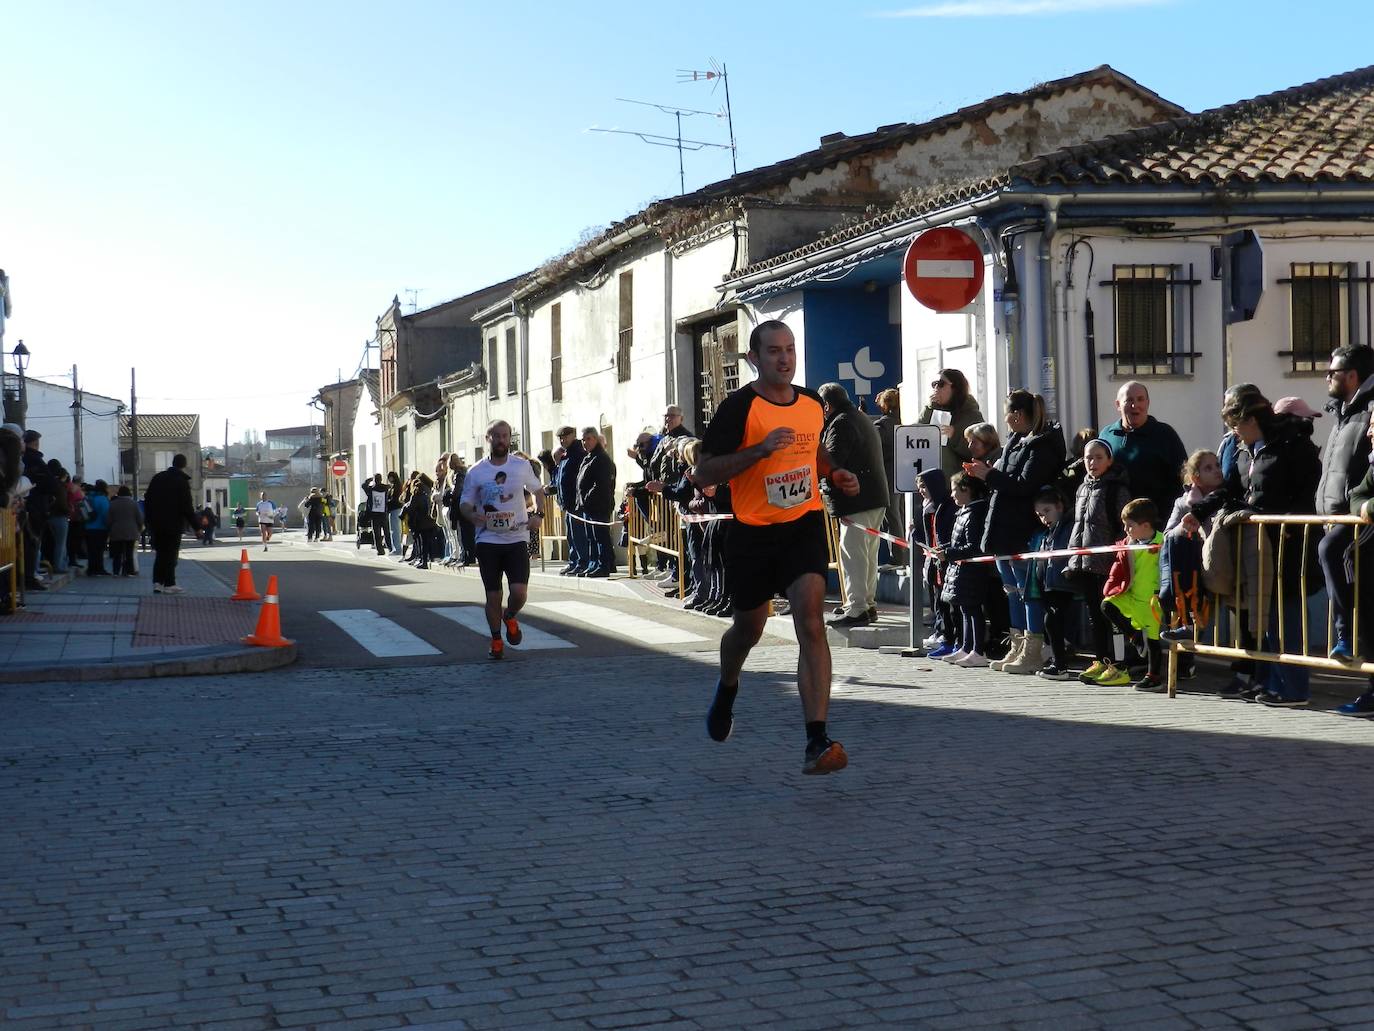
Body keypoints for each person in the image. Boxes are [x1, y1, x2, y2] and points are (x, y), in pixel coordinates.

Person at [695, 319, 859, 776]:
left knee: (811, 619)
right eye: (772, 351)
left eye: (789, 349)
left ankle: (816, 740)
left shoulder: (812, 404)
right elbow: (704, 474)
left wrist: (834, 472)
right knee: (750, 629)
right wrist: (758, 451)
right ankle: (728, 686)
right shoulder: (738, 408)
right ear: (754, 358)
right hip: (751, 533)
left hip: (802, 523)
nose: (784, 358)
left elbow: (811, 454)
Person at [1223, 391, 1321, 707]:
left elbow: (1308, 492)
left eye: (1237, 424)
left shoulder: (1292, 447)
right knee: (1267, 617)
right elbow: (1238, 492)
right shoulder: (1249, 450)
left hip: (1289, 543)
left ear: (1252, 419)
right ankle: (1269, 680)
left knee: (1287, 616)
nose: (1235, 432)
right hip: (1262, 544)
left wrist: (1291, 523)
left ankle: (1293, 688)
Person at [965, 390, 1066, 675]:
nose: (1005, 420)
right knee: (1011, 590)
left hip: (1022, 528)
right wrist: (988, 475)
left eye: (1008, 414)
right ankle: (1018, 643)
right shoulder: (1015, 441)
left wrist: (990, 475)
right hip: (1003, 528)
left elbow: (1024, 485)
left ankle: (1033, 648)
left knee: (1027, 590)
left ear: (1018, 415)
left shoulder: (1041, 446)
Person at [460, 420, 545, 660]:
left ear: (510, 439)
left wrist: (538, 515)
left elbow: (538, 491)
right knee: (493, 594)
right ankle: (496, 639)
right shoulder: (476, 471)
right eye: (495, 436)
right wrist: (471, 513)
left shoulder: (521, 466)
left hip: (516, 536)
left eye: (505, 436)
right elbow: (465, 502)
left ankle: (510, 616)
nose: (500, 440)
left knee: (519, 593)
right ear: (488, 439)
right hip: (487, 539)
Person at [1315, 346, 1374, 662]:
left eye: (1333, 372)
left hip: (1360, 517)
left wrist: (1362, 505)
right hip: (1338, 515)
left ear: (1352, 376)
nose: (1327, 376)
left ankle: (1345, 636)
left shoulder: (1369, 409)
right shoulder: (1342, 411)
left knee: (1331, 551)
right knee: (1364, 599)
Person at [819, 381, 890, 628]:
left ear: (827, 405)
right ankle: (866, 603)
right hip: (873, 497)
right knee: (867, 554)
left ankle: (857, 606)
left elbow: (832, 460)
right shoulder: (858, 418)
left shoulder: (841, 423)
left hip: (856, 499)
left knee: (853, 553)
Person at [1067, 439, 1132, 686]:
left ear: (1109, 460)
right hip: (1085, 563)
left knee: (1111, 615)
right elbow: (1079, 526)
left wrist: (1118, 557)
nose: (1092, 463)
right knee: (1094, 614)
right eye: (1088, 458)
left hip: (1108, 563)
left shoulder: (1117, 489)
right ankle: (1101, 659)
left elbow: (1124, 525)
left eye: (1098, 457)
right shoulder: (1082, 488)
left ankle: (1119, 664)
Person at [1102, 499, 1166, 693]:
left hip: (1152, 600)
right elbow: (1119, 568)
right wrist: (1114, 586)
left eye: (1130, 526)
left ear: (1145, 525)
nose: (1126, 529)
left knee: (1154, 640)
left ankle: (1153, 676)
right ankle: (1135, 636)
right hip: (1131, 595)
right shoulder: (1128, 544)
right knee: (1107, 605)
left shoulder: (1162, 541)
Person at [1099, 381, 1188, 521]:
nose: (1135, 406)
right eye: (1129, 400)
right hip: (1113, 523)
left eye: (1140, 399)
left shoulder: (1164, 434)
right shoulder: (1106, 435)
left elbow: (1183, 478)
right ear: (1118, 405)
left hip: (1154, 524)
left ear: (1148, 403)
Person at [936, 472, 992, 666]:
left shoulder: (975, 513)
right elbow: (958, 542)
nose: (952, 495)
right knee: (965, 608)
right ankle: (966, 647)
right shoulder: (964, 511)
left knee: (973, 609)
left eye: (954, 490)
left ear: (966, 490)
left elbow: (973, 546)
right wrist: (945, 549)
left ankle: (978, 650)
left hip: (972, 570)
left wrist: (949, 553)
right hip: (961, 570)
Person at [1029, 488, 1079, 680]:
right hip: (1049, 582)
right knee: (1051, 622)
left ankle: (1060, 665)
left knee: (1053, 620)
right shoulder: (1049, 532)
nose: (1044, 518)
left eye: (1047, 511)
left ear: (1059, 507)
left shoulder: (1067, 528)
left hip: (1061, 582)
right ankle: (1058, 662)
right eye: (1040, 515)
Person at [916, 469, 958, 657]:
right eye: (919, 487)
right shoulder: (926, 508)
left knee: (947, 602)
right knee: (937, 600)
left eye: (924, 486)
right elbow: (925, 537)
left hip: (945, 562)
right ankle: (941, 632)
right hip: (932, 562)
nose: (921, 491)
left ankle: (950, 637)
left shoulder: (947, 507)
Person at [144, 455, 198, 594]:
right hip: (173, 524)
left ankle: (157, 582)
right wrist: (197, 527)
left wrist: (149, 521)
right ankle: (169, 583)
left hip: (156, 524)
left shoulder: (158, 478)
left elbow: (148, 500)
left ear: (172, 463)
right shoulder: (182, 481)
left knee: (160, 553)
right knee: (171, 554)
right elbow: (187, 507)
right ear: (183, 465)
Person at [920, 369, 983, 479]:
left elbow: (979, 451)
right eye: (934, 384)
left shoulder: (971, 413)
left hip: (958, 483)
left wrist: (955, 435)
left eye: (940, 384)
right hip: (931, 482)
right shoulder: (932, 409)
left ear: (955, 387)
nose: (936, 388)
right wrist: (929, 409)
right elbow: (916, 432)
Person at [871, 387, 906, 566]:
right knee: (900, 513)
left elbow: (873, 450)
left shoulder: (882, 426)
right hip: (904, 472)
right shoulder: (905, 421)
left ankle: (898, 558)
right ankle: (905, 556)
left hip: (888, 473)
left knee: (892, 515)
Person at [576, 428, 617, 577]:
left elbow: (601, 484)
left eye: (588, 439)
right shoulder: (589, 457)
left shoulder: (601, 459)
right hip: (588, 506)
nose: (585, 442)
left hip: (599, 505)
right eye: (583, 439)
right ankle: (594, 563)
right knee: (591, 537)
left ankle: (604, 565)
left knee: (601, 536)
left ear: (595, 439)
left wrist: (586, 498)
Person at [552, 427, 586, 575]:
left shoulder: (578, 454)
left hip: (575, 502)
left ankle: (581, 562)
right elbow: (562, 479)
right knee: (571, 535)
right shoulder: (566, 456)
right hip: (567, 503)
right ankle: (574, 561)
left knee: (579, 535)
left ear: (573, 435)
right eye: (560, 438)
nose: (562, 440)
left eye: (565, 437)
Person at [107, 485, 144, 577]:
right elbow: (139, 519)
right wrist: (139, 529)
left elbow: (108, 519)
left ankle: (116, 571)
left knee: (117, 554)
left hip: (116, 532)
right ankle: (128, 571)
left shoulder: (113, 504)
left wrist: (110, 530)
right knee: (129, 553)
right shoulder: (134, 504)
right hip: (131, 532)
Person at [84, 480, 112, 577]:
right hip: (100, 528)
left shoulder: (89, 498)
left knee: (91, 550)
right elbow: (106, 514)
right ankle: (99, 569)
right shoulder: (102, 499)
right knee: (99, 550)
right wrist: (109, 526)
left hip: (88, 527)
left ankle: (91, 569)